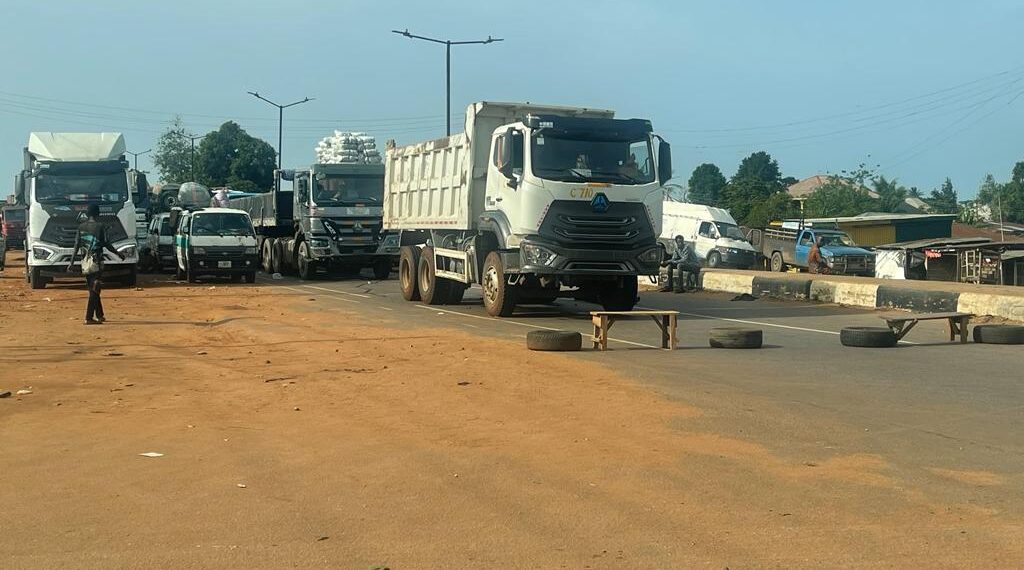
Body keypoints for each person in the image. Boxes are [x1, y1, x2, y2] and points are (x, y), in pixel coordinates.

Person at [68, 204, 125, 325]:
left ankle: (100, 315)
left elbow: (76, 246)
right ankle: (88, 317)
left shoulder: (81, 227)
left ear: (87, 214)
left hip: (85, 261)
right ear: (98, 213)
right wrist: (118, 254)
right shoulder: (100, 227)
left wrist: (71, 263)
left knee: (93, 288)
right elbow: (106, 244)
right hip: (97, 261)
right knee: (95, 289)